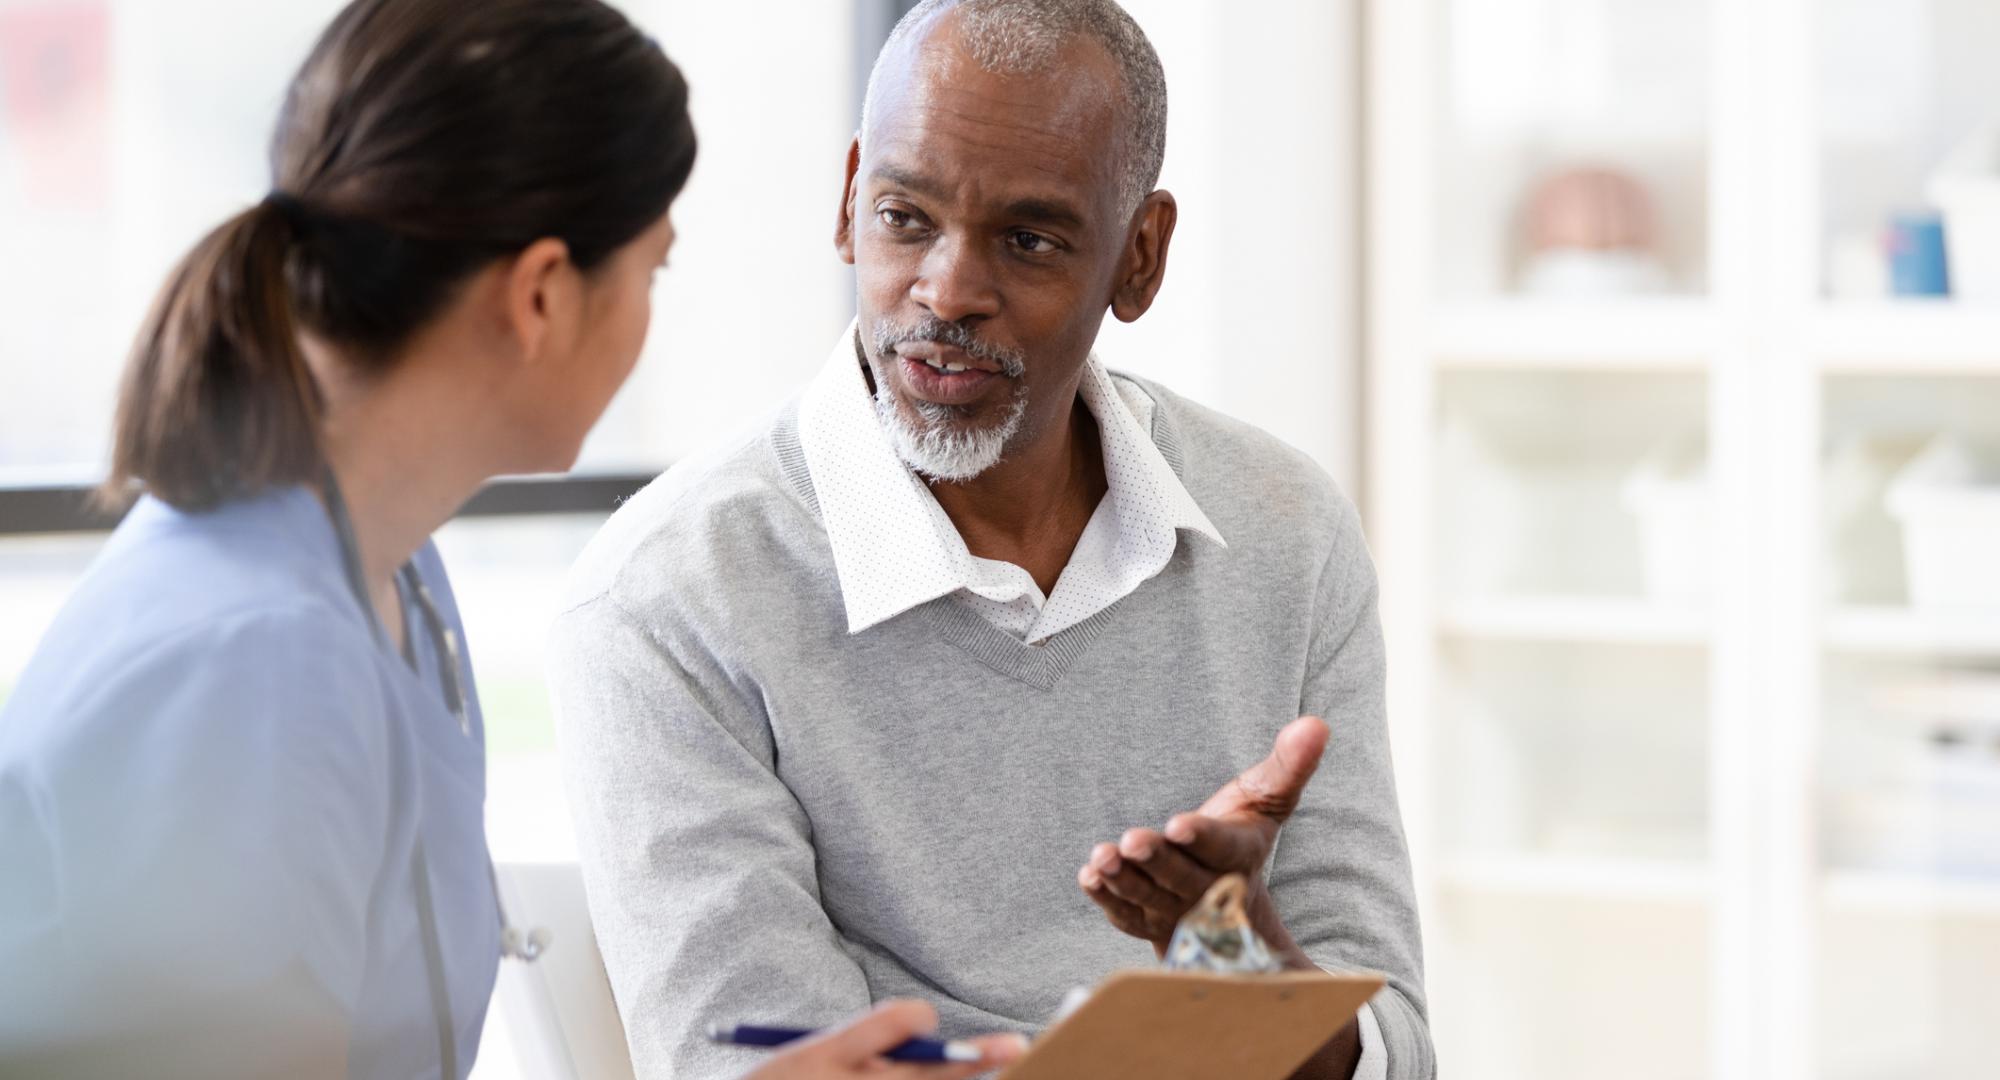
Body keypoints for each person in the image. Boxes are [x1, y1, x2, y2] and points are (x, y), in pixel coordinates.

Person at [0, 2, 1022, 1078]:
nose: (648, 314)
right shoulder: (252, 669)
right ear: (540, 294)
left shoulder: (393, 583)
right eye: (650, 272)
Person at [549, 1, 1433, 1078]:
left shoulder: (1282, 530)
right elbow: (745, 1064)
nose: (949, 291)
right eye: (904, 217)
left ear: (1138, 259)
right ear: (844, 205)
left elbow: (1395, 1052)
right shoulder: (670, 597)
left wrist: (1258, 979)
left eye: (1027, 240)